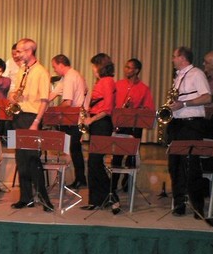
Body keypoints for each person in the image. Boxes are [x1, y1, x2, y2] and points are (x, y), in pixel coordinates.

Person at [9, 38, 54, 212]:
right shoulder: (22, 70)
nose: (17, 54)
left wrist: (36, 122)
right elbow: (16, 91)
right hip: (18, 116)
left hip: (31, 118)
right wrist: (13, 96)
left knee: (33, 160)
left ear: (29, 51)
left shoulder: (41, 72)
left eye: (20, 51)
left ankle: (44, 199)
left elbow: (44, 101)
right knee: (21, 160)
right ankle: (26, 198)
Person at [167, 46, 212, 218]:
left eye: (174, 56)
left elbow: (207, 97)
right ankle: (179, 204)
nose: (172, 59)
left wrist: (184, 104)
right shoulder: (178, 76)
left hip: (192, 124)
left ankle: (197, 206)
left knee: (192, 165)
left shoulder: (197, 74)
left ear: (183, 58)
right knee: (175, 165)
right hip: (177, 124)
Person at [111, 58, 155, 192]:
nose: (126, 70)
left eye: (129, 67)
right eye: (126, 67)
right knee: (117, 157)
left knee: (131, 157)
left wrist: (134, 109)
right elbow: (112, 103)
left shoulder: (143, 88)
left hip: (135, 126)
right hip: (120, 124)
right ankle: (113, 187)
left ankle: (127, 184)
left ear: (136, 70)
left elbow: (149, 109)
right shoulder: (118, 84)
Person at [80, 53, 117, 212]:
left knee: (95, 163)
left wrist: (91, 120)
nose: (93, 69)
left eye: (94, 66)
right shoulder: (102, 81)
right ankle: (96, 200)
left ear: (100, 66)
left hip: (102, 124)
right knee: (94, 163)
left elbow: (108, 108)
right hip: (97, 124)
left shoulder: (107, 81)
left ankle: (112, 197)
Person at [48, 54, 88, 190]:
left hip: (73, 118)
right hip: (76, 117)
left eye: (54, 67)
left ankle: (80, 179)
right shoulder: (71, 75)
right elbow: (53, 94)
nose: (54, 70)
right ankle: (80, 178)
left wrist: (52, 112)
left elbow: (67, 102)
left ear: (61, 64)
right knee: (75, 149)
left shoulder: (70, 77)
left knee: (75, 150)